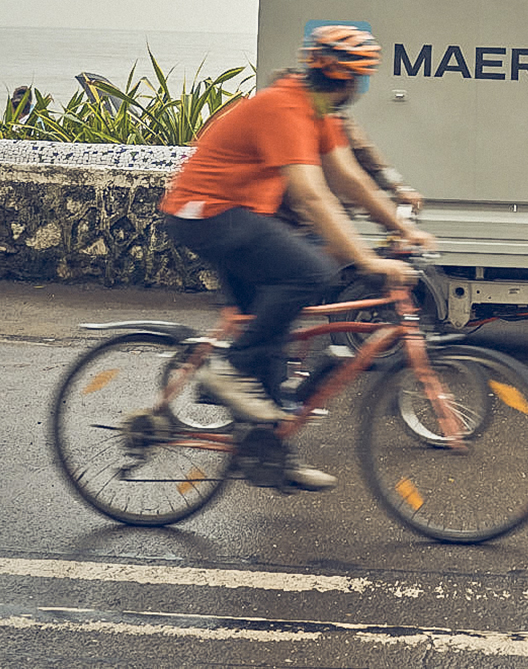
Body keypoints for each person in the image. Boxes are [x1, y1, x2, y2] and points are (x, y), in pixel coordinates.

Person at [161, 25, 430, 491]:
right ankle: (229, 370)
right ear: (348, 80)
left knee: (273, 333)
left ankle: (267, 457)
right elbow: (312, 196)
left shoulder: (318, 111)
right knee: (311, 272)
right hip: (206, 213)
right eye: (363, 79)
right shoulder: (285, 107)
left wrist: (401, 227)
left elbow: (350, 179)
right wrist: (370, 261)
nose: (361, 89)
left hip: (237, 215)